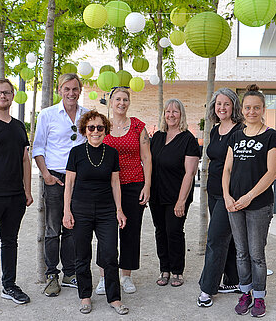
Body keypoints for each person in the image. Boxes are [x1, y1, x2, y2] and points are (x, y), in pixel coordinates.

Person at [222, 84, 276, 318]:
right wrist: (227, 196)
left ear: (263, 109)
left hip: (258, 205)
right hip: (234, 204)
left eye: (256, 108)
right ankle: (245, 292)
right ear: (243, 109)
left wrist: (248, 197)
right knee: (241, 253)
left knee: (257, 254)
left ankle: (259, 297)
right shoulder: (236, 135)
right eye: (247, 107)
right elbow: (227, 169)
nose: (251, 111)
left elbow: (271, 173)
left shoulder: (271, 136)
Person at [63, 111, 129, 315]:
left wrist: (119, 210)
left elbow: (115, 182)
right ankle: (85, 296)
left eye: (100, 127)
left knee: (110, 254)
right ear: (84, 130)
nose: (95, 131)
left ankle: (114, 298)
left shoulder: (111, 153)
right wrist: (67, 211)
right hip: (80, 210)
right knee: (82, 255)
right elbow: (69, 184)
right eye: (91, 127)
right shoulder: (76, 153)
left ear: (105, 130)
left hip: (106, 211)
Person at [0, 78, 33, 315]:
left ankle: (8, 286)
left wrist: (27, 191)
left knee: (10, 242)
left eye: (7, 92)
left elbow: (25, 159)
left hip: (15, 197)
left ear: (13, 95)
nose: (3, 96)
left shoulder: (19, 126)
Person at [33, 73, 88, 297]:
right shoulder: (47, 115)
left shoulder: (86, 115)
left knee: (72, 228)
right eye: (66, 89)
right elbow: (37, 148)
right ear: (59, 90)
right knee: (53, 228)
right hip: (55, 178)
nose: (71, 93)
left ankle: (70, 273)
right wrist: (46, 175)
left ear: (80, 91)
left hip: (79, 179)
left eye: (75, 89)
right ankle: (51, 275)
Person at [95, 87, 151, 295]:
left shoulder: (137, 126)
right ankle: (104, 276)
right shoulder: (101, 125)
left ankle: (126, 276)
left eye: (125, 99)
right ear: (110, 102)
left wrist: (147, 185)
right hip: (106, 187)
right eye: (117, 99)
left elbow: (147, 158)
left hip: (134, 184)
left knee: (130, 232)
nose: (121, 102)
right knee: (105, 233)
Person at [197, 88, 244, 307]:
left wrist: (230, 195)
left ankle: (207, 289)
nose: (222, 107)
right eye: (218, 104)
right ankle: (234, 280)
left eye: (226, 103)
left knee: (215, 239)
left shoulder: (240, 131)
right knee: (229, 239)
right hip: (213, 191)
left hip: (231, 194)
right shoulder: (215, 129)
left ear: (234, 106)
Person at [150, 98, 200, 287]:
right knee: (160, 232)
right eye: (168, 111)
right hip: (156, 195)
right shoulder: (157, 137)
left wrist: (181, 201)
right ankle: (165, 269)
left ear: (181, 115)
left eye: (175, 112)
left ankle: (177, 271)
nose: (171, 115)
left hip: (177, 195)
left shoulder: (188, 139)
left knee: (174, 231)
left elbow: (190, 173)